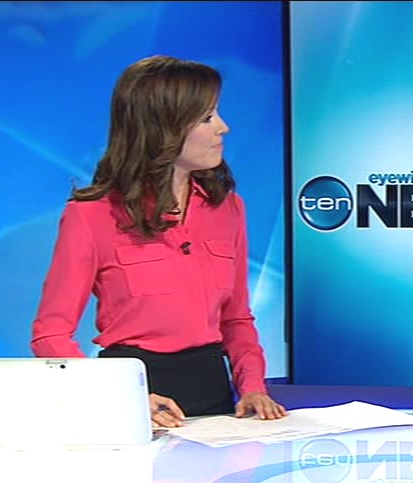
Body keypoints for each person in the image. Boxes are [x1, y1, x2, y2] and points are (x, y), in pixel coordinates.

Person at [31, 55, 287, 427]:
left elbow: (236, 318)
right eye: (207, 118)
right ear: (163, 127)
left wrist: (252, 388)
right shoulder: (92, 215)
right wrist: (118, 396)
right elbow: (50, 334)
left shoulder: (228, 208)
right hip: (134, 397)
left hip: (214, 399)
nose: (224, 127)